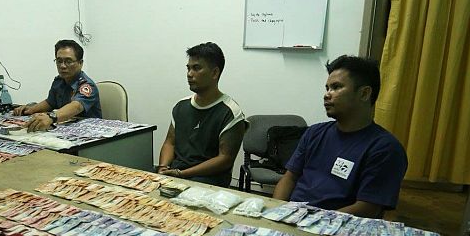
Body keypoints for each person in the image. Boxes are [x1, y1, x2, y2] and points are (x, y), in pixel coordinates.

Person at [272, 55, 408, 218]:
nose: (327, 95)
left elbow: (368, 208)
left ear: (364, 93)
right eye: (327, 88)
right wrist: (278, 211)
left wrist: (313, 221)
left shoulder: (385, 149)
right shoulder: (314, 133)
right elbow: (289, 178)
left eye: (336, 87)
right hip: (292, 217)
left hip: (337, 229)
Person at [158, 42, 246, 188]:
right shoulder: (181, 106)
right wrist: (162, 168)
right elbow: (170, 142)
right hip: (176, 173)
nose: (189, 74)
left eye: (196, 68)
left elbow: (225, 159)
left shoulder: (230, 112)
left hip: (207, 179)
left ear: (214, 73)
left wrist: (182, 174)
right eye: (188, 68)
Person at [13, 39, 101, 131]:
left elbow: (76, 106)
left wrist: (51, 117)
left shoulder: (86, 85)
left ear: (80, 63)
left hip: (90, 133)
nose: (62, 66)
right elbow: (50, 102)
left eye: (68, 61)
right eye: (59, 61)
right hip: (65, 129)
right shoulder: (59, 81)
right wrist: (30, 109)